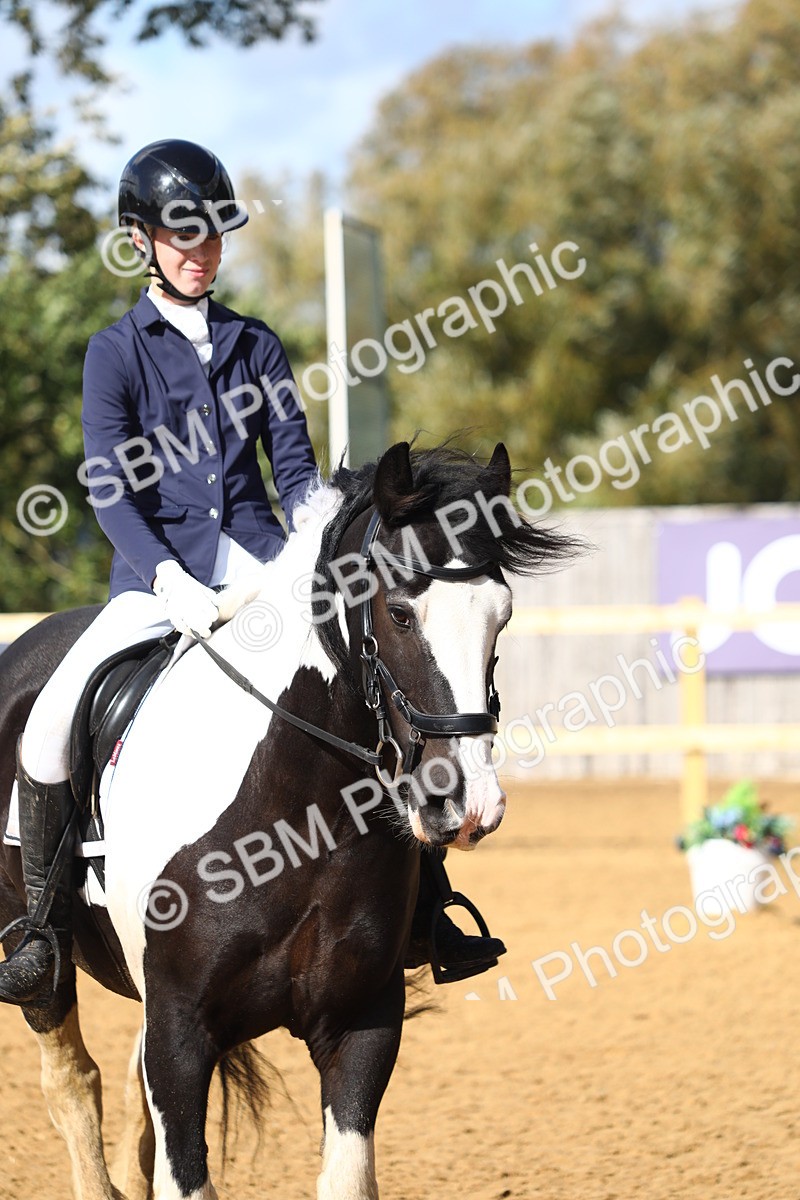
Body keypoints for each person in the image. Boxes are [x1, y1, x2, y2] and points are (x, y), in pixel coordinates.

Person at [0, 139, 502, 1007]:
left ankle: (428, 910)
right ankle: (41, 927)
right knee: (47, 726)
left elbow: (298, 476)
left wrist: (316, 544)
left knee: (377, 693)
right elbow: (113, 491)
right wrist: (165, 579)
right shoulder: (113, 354)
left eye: (213, 237)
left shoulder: (256, 344)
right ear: (142, 243)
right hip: (156, 582)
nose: (201, 254)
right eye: (182, 238)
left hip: (268, 570)